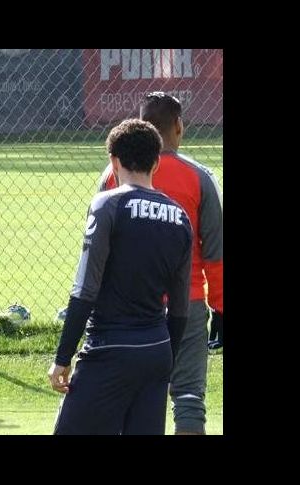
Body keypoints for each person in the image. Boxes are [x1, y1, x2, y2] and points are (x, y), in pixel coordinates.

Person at [48, 119, 192, 435]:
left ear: (114, 163)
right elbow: (181, 307)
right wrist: (167, 363)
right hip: (156, 351)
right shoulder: (180, 217)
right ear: (156, 162)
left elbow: (85, 288)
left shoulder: (107, 204)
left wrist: (63, 357)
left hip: (108, 350)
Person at [97, 92, 223, 434]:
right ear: (179, 127)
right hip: (189, 304)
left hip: (128, 308)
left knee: (126, 397)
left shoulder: (113, 175)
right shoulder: (200, 178)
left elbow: (98, 249)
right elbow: (216, 253)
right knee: (189, 398)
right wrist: (220, 308)